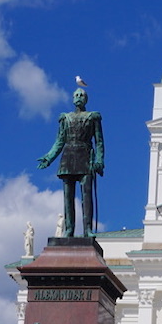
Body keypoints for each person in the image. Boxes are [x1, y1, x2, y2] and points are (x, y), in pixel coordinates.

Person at [37, 87, 105, 238]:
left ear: (85, 99)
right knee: (68, 196)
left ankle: (87, 229)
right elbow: (59, 141)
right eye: (76, 95)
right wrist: (49, 158)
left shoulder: (93, 117)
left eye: (82, 95)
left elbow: (99, 142)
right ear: (73, 98)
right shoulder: (65, 118)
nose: (79, 97)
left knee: (86, 195)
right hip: (68, 157)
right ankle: (69, 229)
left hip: (85, 157)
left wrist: (99, 160)